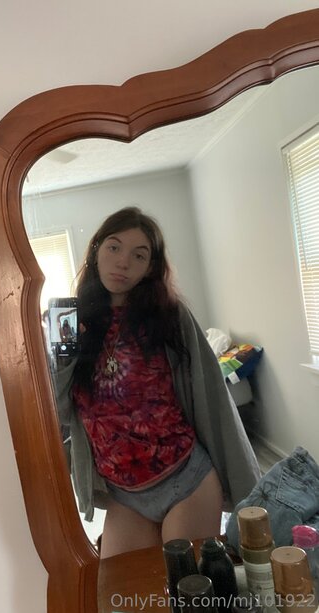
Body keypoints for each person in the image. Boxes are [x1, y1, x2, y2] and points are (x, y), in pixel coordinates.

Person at [52, 206, 260, 559]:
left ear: (150, 266)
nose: (123, 262)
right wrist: (61, 358)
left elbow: (212, 394)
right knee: (123, 588)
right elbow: (58, 412)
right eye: (114, 247)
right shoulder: (71, 322)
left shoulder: (169, 316)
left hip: (187, 479)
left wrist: (243, 477)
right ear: (96, 250)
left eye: (139, 255)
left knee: (185, 585)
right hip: (124, 496)